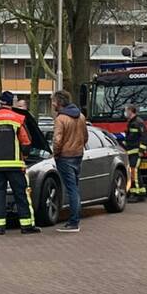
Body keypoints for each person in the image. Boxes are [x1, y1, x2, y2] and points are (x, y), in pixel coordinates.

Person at [0, 91, 41, 235]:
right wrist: (24, 155)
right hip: (15, 165)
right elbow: (26, 142)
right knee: (21, 194)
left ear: (0, 103)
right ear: (11, 103)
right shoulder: (18, 118)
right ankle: (26, 226)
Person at [51, 90, 88, 233]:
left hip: (65, 157)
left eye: (54, 101)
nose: (52, 104)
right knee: (75, 188)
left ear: (59, 103)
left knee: (71, 189)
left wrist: (56, 154)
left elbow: (57, 140)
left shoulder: (61, 119)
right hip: (78, 155)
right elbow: (85, 137)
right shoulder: (81, 117)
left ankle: (73, 222)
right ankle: (75, 219)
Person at [124, 105, 147, 202]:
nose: (125, 112)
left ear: (131, 111)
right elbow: (131, 137)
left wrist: (142, 150)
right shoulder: (131, 123)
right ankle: (135, 192)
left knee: (134, 172)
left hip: (136, 152)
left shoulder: (138, 122)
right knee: (133, 172)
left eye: (126, 110)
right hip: (131, 152)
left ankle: (139, 194)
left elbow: (145, 137)